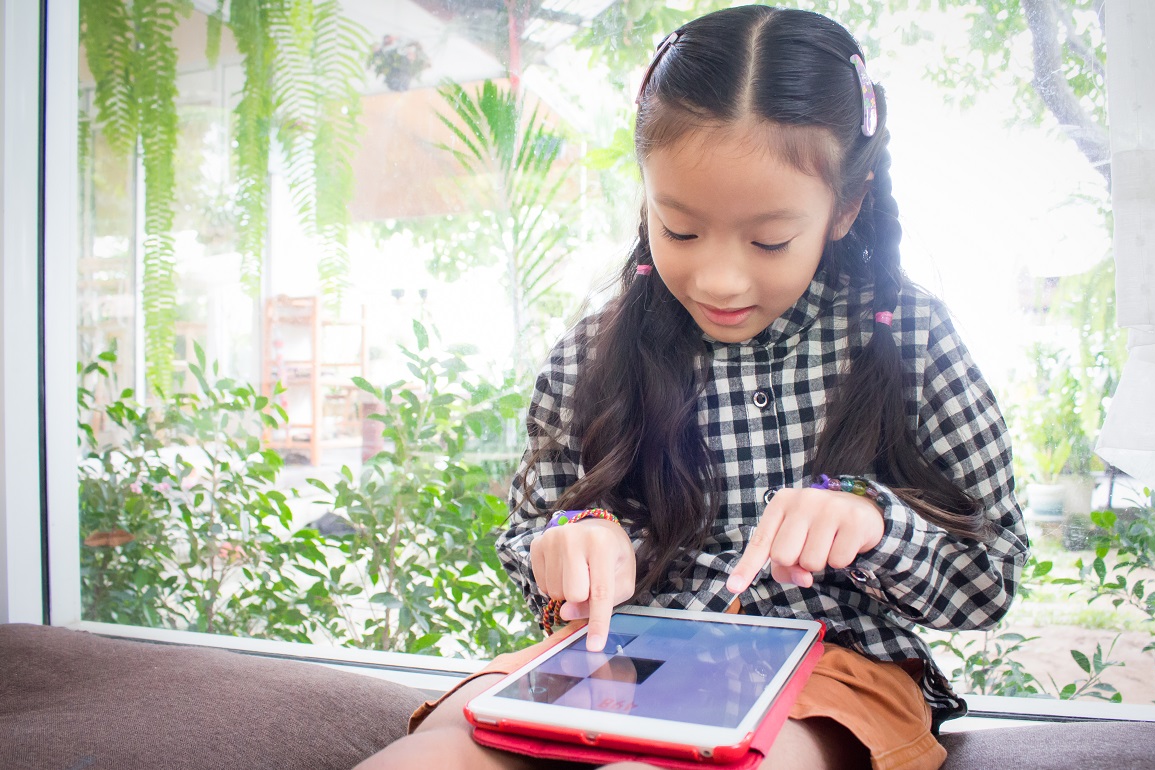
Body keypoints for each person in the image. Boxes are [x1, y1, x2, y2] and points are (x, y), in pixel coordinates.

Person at [358, 5, 1027, 769]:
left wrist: (874, 524)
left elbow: (991, 577)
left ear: (846, 206)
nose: (717, 277)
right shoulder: (593, 352)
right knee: (430, 755)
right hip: (616, 653)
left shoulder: (906, 337)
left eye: (769, 240)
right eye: (678, 229)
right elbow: (534, 533)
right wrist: (573, 541)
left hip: (835, 672)